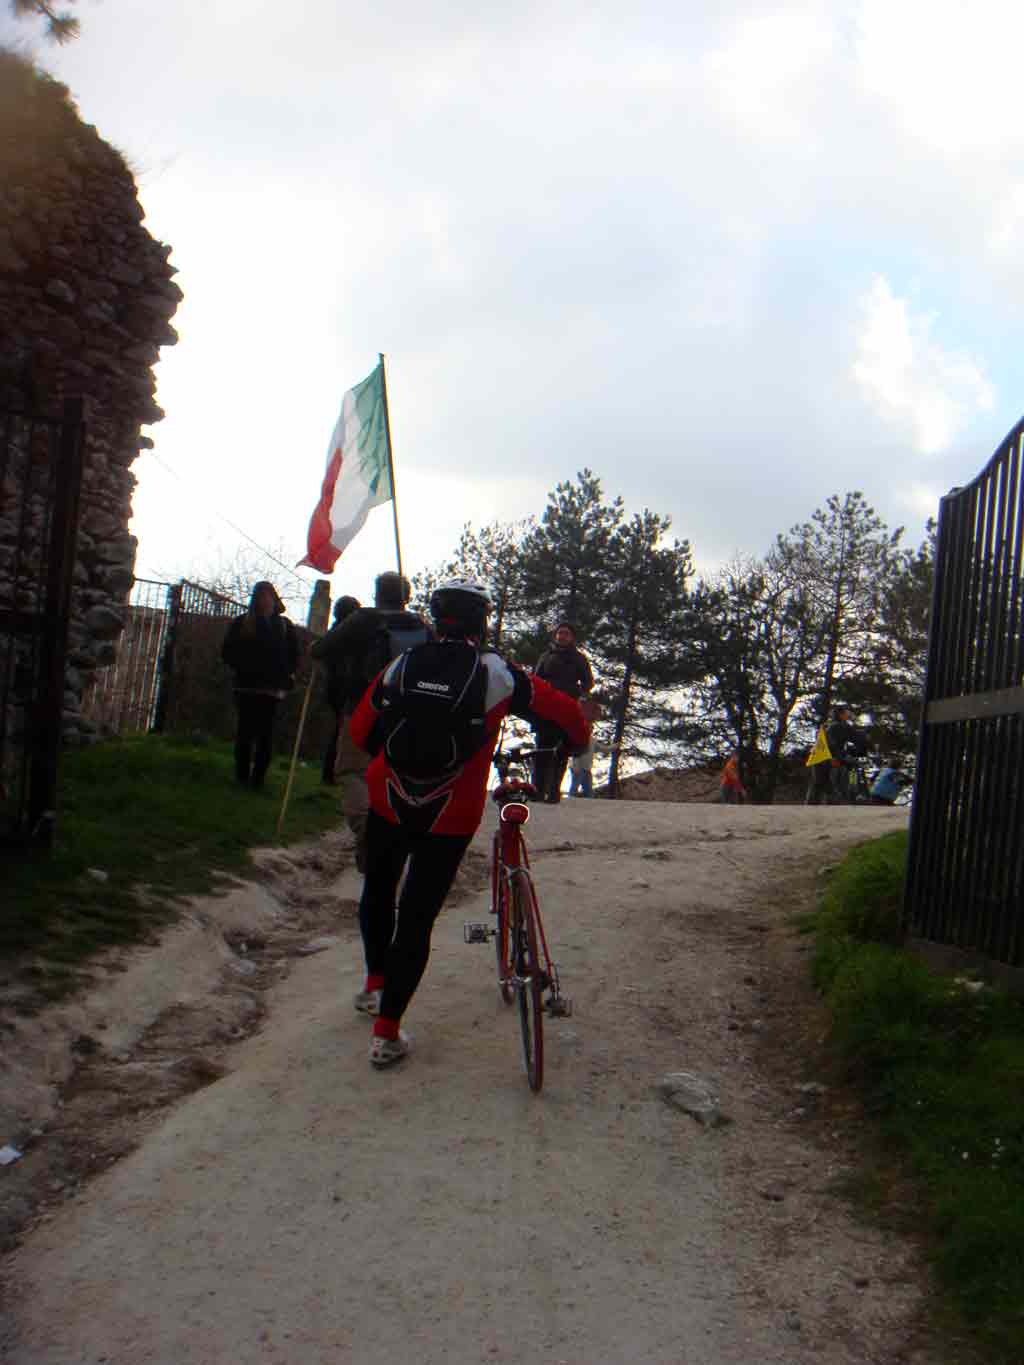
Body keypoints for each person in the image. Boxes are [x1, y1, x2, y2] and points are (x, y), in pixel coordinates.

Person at [348, 579, 591, 1068]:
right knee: (416, 917)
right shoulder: (498, 673)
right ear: (483, 620)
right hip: (451, 811)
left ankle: (374, 985)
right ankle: (386, 1032)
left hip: (388, 797)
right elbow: (565, 711)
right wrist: (579, 742)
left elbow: (359, 730)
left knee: (378, 889)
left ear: (437, 618)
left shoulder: (403, 664)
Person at [311, 571, 429, 869]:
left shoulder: (363, 619)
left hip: (362, 707)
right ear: (406, 596)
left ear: (377, 594)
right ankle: (396, 834)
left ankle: (367, 832)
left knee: (352, 772)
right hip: (407, 714)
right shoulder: (420, 625)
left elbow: (321, 649)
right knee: (395, 776)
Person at [221, 581, 300, 790]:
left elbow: (293, 656)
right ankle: (242, 776)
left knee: (265, 735)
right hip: (246, 686)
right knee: (245, 733)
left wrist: (284, 674)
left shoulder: (283, 626)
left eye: (268, 597)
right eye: (261, 598)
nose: (265, 602)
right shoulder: (243, 623)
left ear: (274, 600)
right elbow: (227, 652)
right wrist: (245, 666)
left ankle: (258, 779)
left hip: (271, 689)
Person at [531, 621, 594, 802]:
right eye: (560, 633)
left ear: (572, 637)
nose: (562, 636)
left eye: (566, 633)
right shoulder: (545, 657)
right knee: (542, 749)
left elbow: (588, 682)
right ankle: (537, 790)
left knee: (562, 750)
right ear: (555, 635)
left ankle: (553, 791)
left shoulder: (579, 658)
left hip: (567, 708)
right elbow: (535, 678)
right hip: (546, 707)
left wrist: (576, 693)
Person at [314, 594, 361, 784]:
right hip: (343, 686)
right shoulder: (347, 634)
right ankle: (333, 772)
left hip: (335, 686)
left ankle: (333, 772)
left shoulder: (334, 632)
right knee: (342, 731)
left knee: (340, 729)